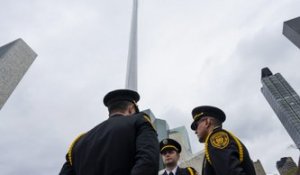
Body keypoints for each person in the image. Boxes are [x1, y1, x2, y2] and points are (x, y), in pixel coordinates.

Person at [59, 89, 159, 175]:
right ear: (131, 109)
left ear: (110, 111)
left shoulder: (78, 142)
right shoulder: (139, 122)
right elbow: (148, 162)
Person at [190, 105, 256, 175]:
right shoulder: (217, 140)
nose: (195, 131)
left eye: (196, 126)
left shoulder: (216, 138)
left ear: (207, 122)